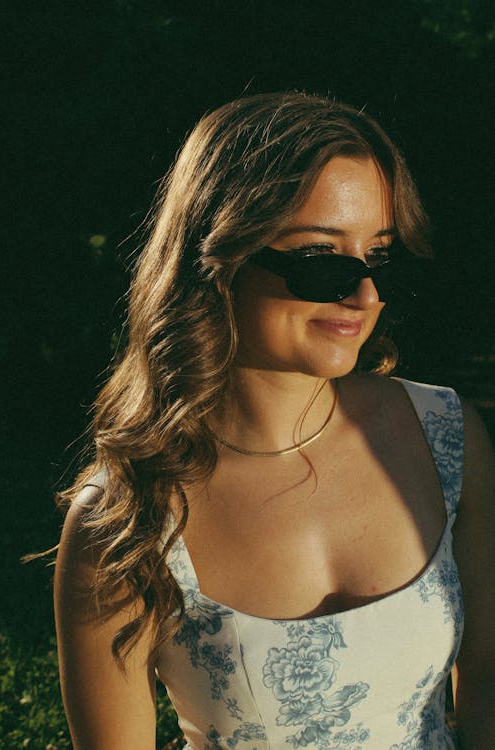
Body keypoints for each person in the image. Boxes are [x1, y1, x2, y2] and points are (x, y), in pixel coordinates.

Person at [54, 92, 495, 750]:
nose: (366, 295)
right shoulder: (126, 518)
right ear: (219, 259)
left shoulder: (446, 439)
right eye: (323, 263)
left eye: (379, 258)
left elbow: (486, 683)